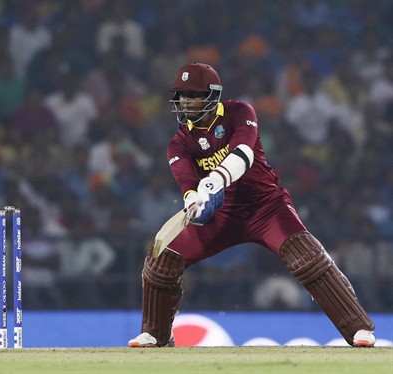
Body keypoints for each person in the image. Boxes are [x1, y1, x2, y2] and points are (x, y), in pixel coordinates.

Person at [128, 63, 376, 348]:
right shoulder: (179, 143)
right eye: (181, 96)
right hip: (221, 216)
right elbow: (187, 183)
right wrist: (194, 199)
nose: (185, 102)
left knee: (306, 258)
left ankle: (359, 330)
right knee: (161, 262)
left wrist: (215, 179)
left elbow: (243, 153)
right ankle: (156, 335)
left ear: (212, 95)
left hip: (266, 207)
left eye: (192, 95)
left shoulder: (239, 112)